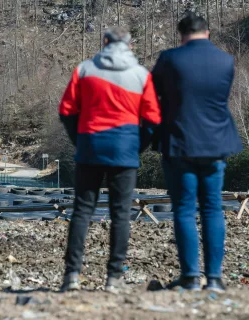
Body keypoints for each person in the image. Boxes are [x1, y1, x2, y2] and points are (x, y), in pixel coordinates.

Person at [58, 27, 161, 292]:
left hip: (90, 146)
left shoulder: (84, 70)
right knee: (121, 215)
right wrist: (138, 146)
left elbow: (66, 110)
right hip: (124, 151)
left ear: (104, 42)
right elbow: (152, 119)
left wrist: (79, 139)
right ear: (130, 45)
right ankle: (114, 278)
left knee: (82, 210)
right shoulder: (141, 75)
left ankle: (72, 276)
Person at [152, 13, 242, 292]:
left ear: (181, 35)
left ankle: (190, 276)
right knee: (213, 208)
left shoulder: (169, 59)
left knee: (184, 209)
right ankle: (214, 279)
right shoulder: (225, 61)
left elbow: (152, 95)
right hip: (216, 143)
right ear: (208, 33)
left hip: (180, 143)